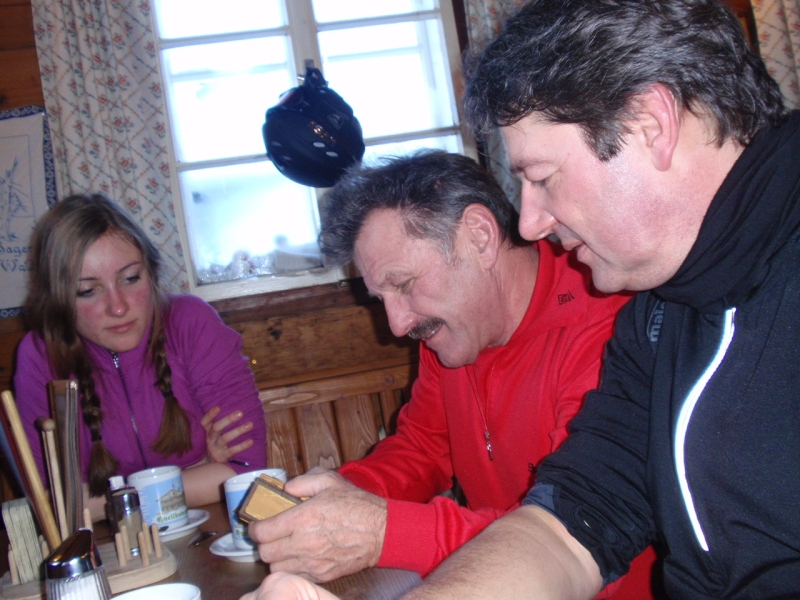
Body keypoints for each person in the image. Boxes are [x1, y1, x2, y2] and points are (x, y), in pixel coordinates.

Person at [242, 0, 800, 597]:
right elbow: (574, 525)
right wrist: (339, 505)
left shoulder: (616, 314)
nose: (530, 223)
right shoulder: (658, 315)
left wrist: (380, 530)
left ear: (649, 123)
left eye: (541, 176)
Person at [244, 150, 657, 598]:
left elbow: (580, 539)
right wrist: (339, 499)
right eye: (381, 299)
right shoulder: (450, 335)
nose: (397, 325)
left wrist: (380, 531)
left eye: (404, 284)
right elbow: (422, 448)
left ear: (479, 236)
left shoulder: (612, 329)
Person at [14, 194, 267, 518]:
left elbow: (248, 474)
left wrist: (101, 501)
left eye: (130, 278)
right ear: (58, 299)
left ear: (151, 273)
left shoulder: (191, 323)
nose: (118, 307)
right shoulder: (39, 356)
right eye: (87, 291)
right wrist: (200, 470)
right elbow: (50, 505)